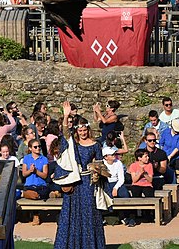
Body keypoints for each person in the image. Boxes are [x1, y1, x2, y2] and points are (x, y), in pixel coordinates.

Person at [54, 101, 105, 249]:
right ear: (77, 131)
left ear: (88, 130)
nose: (83, 133)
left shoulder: (95, 144)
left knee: (89, 213)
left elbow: (100, 163)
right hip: (75, 182)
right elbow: (64, 133)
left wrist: (97, 172)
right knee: (72, 213)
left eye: (85, 130)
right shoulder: (73, 144)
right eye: (80, 131)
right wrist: (66, 116)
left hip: (89, 183)